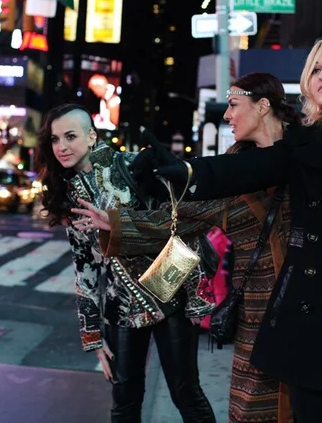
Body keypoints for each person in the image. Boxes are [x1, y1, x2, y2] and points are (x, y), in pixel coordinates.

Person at [134, 35, 322, 423]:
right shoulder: (302, 144)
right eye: (315, 68)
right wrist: (184, 171)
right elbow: (241, 170)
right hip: (306, 316)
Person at [71, 72, 300, 423]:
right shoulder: (229, 169)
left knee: (310, 402)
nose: (227, 115)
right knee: (253, 407)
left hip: (309, 300)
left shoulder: (308, 151)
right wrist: (115, 223)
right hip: (257, 306)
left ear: (263, 106)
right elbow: (184, 216)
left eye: (233, 105)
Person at [35, 103, 216, 423]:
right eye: (55, 139)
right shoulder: (69, 193)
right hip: (120, 308)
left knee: (186, 395)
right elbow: (85, 267)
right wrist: (92, 336)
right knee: (124, 403)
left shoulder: (132, 166)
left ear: (92, 137)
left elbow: (180, 224)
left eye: (70, 136)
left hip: (169, 294)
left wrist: (194, 296)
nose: (61, 146)